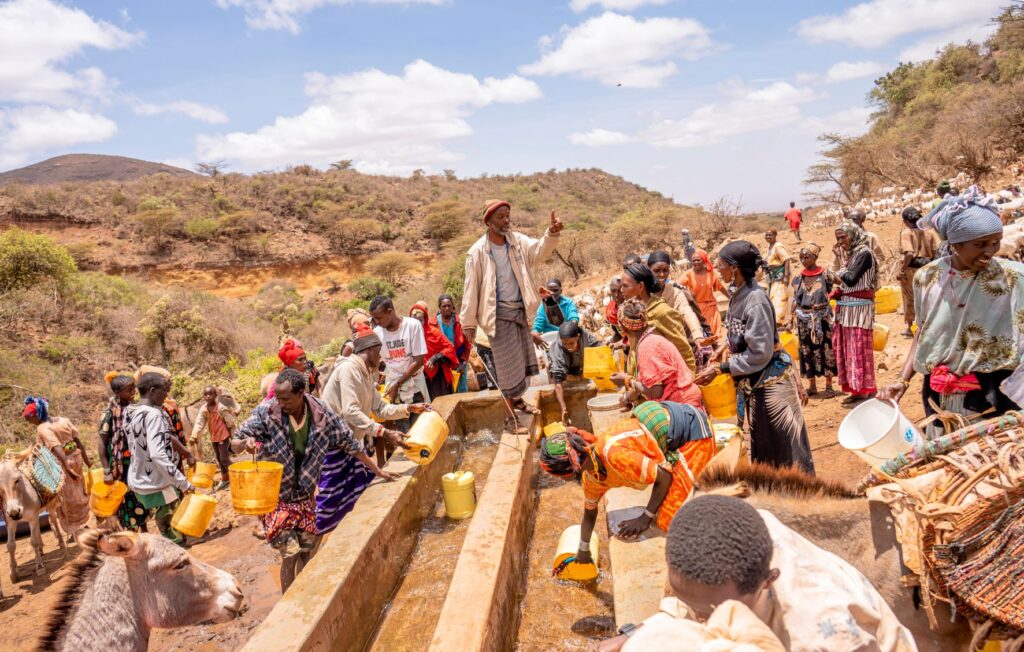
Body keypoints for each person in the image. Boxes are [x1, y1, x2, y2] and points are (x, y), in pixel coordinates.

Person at [593, 495, 916, 652]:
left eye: (711, 613)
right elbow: (688, 605)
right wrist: (633, 635)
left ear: (768, 580)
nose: (704, 619)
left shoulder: (822, 635)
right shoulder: (745, 535)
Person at [233, 368, 398, 591]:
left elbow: (351, 444)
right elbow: (235, 441)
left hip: (305, 497)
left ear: (301, 393)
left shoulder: (323, 416)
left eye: (286, 399)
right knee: (289, 554)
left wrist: (378, 471)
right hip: (276, 498)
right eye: (278, 398)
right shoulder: (266, 413)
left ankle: (302, 593)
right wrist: (246, 443)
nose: (281, 403)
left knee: (307, 551)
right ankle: (287, 602)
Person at [879, 187, 1024, 421]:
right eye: (980, 244)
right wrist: (902, 381)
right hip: (939, 396)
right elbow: (923, 332)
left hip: (995, 393)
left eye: (995, 243)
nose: (990, 252)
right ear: (955, 244)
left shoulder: (1014, 278)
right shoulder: (927, 278)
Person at [694, 241, 814, 474]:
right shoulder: (739, 294)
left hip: (771, 386)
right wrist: (726, 345)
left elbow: (760, 353)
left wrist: (722, 368)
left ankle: (797, 499)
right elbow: (744, 332)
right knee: (766, 446)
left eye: (721, 264)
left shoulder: (755, 299)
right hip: (756, 384)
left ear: (735, 268)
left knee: (783, 448)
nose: (717, 268)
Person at [538, 414, 716, 566]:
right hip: (668, 437)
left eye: (558, 476)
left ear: (567, 473)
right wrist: (583, 550)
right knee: (667, 509)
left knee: (670, 521)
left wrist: (645, 518)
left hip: (693, 433)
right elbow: (589, 513)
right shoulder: (592, 477)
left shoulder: (613, 455)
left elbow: (664, 477)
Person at [460, 200, 563, 431]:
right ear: (488, 221)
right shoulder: (477, 252)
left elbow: (538, 251)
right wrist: (468, 324)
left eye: (507, 216)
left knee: (523, 362)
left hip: (518, 311)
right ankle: (510, 419)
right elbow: (471, 288)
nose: (506, 221)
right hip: (497, 317)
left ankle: (517, 401)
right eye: (500, 217)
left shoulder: (516, 241)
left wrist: (551, 234)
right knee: (507, 370)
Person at [322, 323, 428, 470]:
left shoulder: (365, 374)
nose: (381, 357)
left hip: (349, 443)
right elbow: (350, 411)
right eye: (379, 351)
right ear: (370, 349)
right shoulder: (349, 369)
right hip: (333, 445)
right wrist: (384, 432)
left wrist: (409, 408)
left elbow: (380, 408)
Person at [123, 372, 194, 546]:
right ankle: (176, 551)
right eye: (164, 391)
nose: (166, 396)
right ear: (152, 390)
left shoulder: (130, 411)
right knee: (170, 520)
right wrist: (183, 482)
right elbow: (157, 454)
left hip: (139, 477)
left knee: (167, 515)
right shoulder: (154, 415)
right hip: (157, 481)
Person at [613, 298, 703, 409]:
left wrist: (626, 380)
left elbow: (656, 391)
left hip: (681, 406)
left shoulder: (647, 346)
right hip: (684, 401)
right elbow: (646, 383)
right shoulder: (652, 339)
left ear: (623, 327)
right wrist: (627, 397)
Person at [22, 397, 91, 537]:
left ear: (35, 415)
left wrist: (67, 466)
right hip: (76, 459)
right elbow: (77, 441)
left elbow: (56, 447)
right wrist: (86, 460)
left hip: (62, 466)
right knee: (79, 493)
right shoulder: (63, 420)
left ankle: (73, 530)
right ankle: (84, 522)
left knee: (66, 498)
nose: (30, 423)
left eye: (29, 420)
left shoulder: (43, 428)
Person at [831, 221, 878, 405]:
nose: (841, 241)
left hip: (859, 309)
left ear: (853, 234)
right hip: (848, 308)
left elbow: (850, 279)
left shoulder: (864, 254)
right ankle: (856, 389)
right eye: (838, 238)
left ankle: (865, 388)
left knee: (858, 348)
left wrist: (839, 269)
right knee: (848, 349)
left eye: (843, 237)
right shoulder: (852, 255)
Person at [620, 263, 696, 372]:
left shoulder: (662, 312)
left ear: (640, 286)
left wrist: (688, 380)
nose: (621, 290)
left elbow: (684, 350)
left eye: (625, 286)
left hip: (664, 382)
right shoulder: (634, 313)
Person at [370, 295, 429, 431]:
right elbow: (374, 362)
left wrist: (398, 384)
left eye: (379, 318)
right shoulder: (377, 333)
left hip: (415, 387)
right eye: (374, 319)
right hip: (394, 390)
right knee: (404, 431)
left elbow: (419, 361)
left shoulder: (412, 326)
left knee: (420, 428)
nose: (376, 322)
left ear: (390, 312)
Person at [98, 373, 147, 530]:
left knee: (141, 496)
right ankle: (133, 532)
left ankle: (144, 528)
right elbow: (101, 443)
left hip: (137, 461)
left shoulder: (136, 409)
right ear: (117, 392)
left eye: (134, 388)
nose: (133, 392)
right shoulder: (109, 414)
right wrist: (107, 471)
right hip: (121, 465)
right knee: (127, 499)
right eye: (129, 390)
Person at [790, 244, 837, 397]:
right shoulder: (798, 278)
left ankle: (829, 386)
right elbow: (795, 300)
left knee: (826, 349)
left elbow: (842, 283)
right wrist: (790, 318)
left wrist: (833, 298)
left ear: (815, 257)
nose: (803, 260)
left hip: (822, 318)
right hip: (803, 319)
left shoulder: (826, 274)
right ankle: (812, 386)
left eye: (806, 257)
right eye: (801, 257)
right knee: (806, 350)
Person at [647, 251, 706, 347]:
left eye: (665, 270)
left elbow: (687, 312)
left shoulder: (674, 292)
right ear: (649, 270)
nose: (662, 275)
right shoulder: (642, 291)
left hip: (673, 343)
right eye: (657, 271)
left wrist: (697, 335)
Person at [898, 206, 941, 337]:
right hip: (929, 267)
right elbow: (937, 250)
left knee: (909, 297)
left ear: (905, 221)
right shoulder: (930, 231)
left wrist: (903, 269)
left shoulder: (907, 233)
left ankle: (911, 328)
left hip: (912, 269)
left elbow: (909, 252)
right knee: (928, 296)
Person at [547, 321, 601, 424]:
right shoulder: (557, 351)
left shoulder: (587, 338)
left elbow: (600, 351)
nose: (568, 346)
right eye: (565, 344)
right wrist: (563, 408)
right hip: (567, 376)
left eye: (571, 343)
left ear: (578, 337)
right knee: (573, 399)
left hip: (583, 371)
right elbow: (558, 384)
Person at [189, 386, 241, 491]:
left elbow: (230, 422)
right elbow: (199, 423)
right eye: (206, 395)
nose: (208, 396)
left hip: (223, 436)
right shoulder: (204, 409)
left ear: (216, 395)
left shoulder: (221, 408)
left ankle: (237, 477)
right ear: (203, 396)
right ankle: (226, 479)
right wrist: (194, 435)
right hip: (214, 437)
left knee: (224, 459)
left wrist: (234, 437)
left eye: (210, 394)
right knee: (219, 459)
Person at [409, 301, 459, 401]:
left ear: (425, 319)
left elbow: (450, 348)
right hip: (417, 376)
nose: (418, 324)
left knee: (441, 404)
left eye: (421, 320)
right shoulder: (407, 336)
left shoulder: (434, 332)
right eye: (415, 321)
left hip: (437, 376)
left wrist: (436, 357)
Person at [681, 249, 727, 339]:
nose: (696, 262)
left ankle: (719, 352)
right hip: (697, 309)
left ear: (704, 260)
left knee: (715, 334)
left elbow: (720, 287)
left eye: (698, 260)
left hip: (711, 308)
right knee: (703, 335)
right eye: (694, 260)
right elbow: (677, 286)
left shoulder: (711, 273)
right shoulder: (688, 274)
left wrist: (731, 297)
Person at [436, 294, 470, 393]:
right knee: (446, 392)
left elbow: (467, 344)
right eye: (444, 306)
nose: (447, 308)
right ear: (439, 307)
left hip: (459, 361)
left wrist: (463, 362)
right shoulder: (434, 323)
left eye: (449, 306)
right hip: (442, 362)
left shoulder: (460, 322)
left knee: (461, 390)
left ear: (452, 306)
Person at [532, 278, 579, 342]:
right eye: (550, 290)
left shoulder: (568, 302)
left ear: (561, 291)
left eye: (555, 290)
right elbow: (538, 323)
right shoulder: (542, 307)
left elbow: (573, 316)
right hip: (551, 338)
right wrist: (535, 332)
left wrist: (572, 325)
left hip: (567, 334)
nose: (552, 293)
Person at [765, 229, 793, 330]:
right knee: (773, 299)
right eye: (766, 235)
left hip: (780, 279)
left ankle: (780, 323)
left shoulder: (778, 246)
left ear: (775, 235)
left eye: (770, 235)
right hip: (773, 279)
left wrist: (786, 276)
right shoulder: (769, 246)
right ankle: (776, 323)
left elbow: (786, 259)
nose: (768, 237)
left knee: (780, 300)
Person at [606, 277, 626, 347]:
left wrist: (620, 343)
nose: (616, 295)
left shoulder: (633, 308)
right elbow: (618, 334)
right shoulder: (610, 310)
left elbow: (638, 335)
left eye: (619, 291)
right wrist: (611, 341)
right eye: (613, 291)